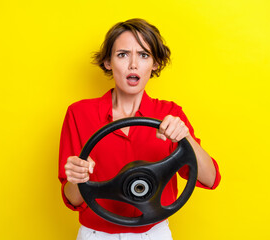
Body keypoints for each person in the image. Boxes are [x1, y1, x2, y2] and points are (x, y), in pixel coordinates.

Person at [58, 18, 221, 240]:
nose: (133, 64)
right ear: (108, 62)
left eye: (143, 55)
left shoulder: (170, 113)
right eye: (122, 54)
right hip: (96, 234)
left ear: (154, 63)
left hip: (154, 234)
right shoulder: (79, 113)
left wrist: (186, 138)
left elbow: (210, 179)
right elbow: (73, 199)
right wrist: (79, 176)